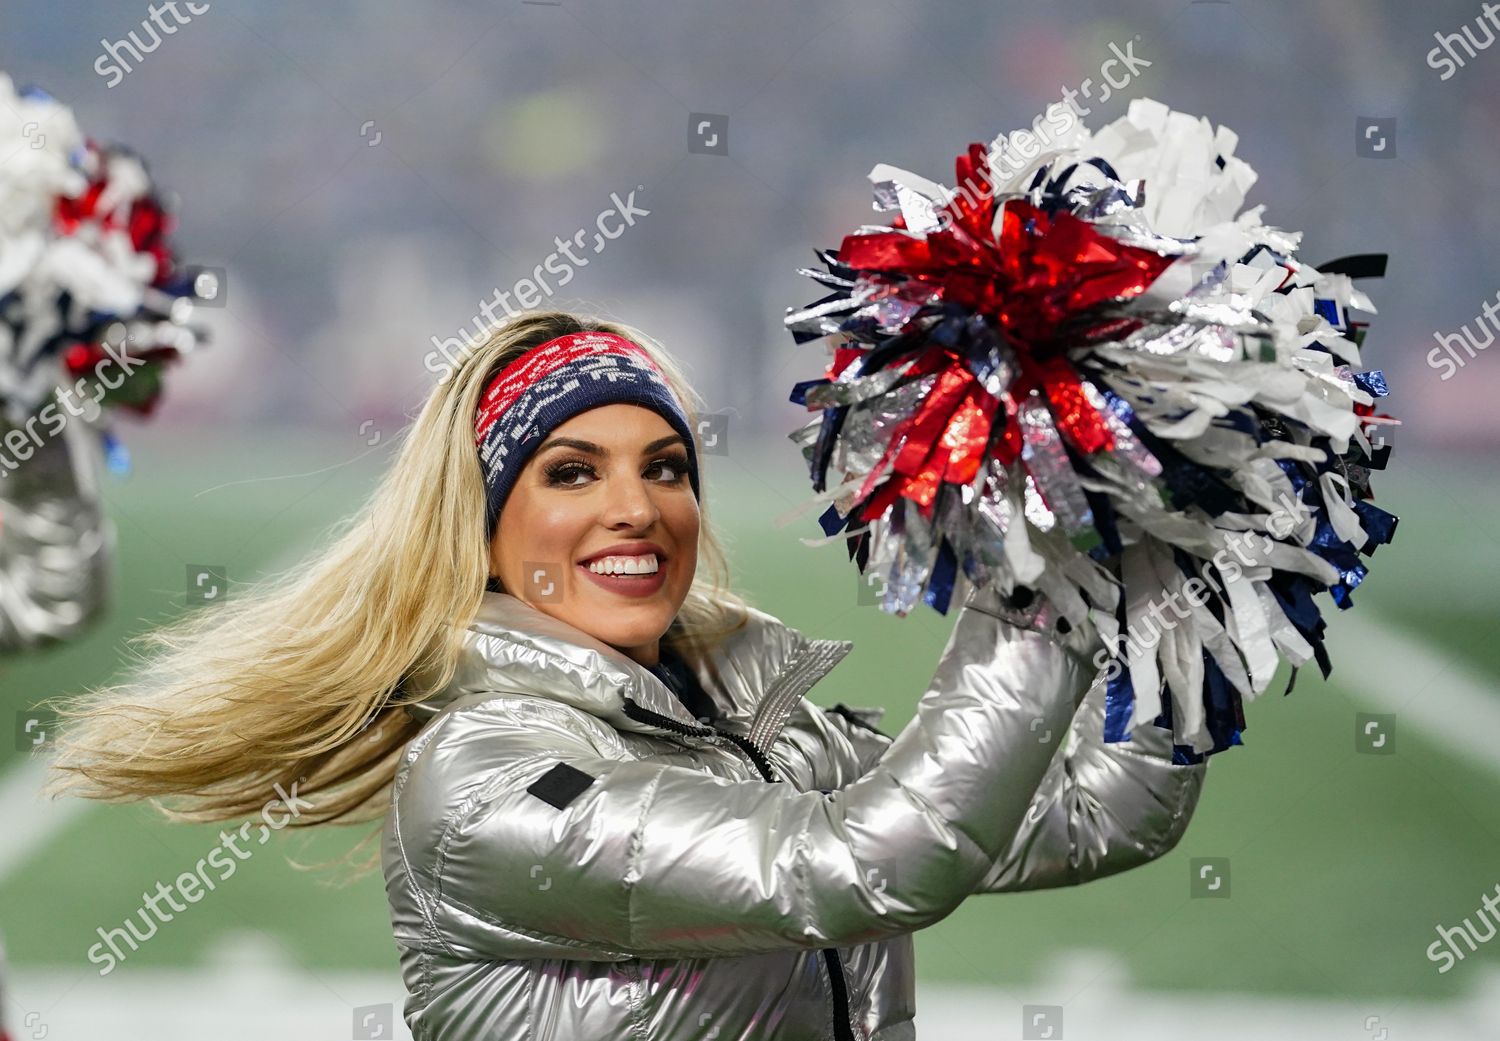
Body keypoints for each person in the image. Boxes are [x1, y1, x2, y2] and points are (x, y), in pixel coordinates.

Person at [44, 309, 1208, 1040]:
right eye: (570, 472)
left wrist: (1183, 573)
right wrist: (1031, 565)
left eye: (663, 465)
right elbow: (859, 866)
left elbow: (1103, 816)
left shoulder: (767, 732)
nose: (635, 508)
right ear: (486, 525)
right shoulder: (488, 782)